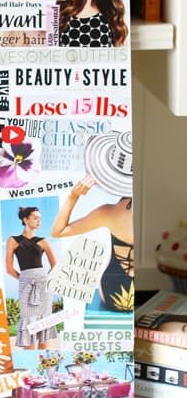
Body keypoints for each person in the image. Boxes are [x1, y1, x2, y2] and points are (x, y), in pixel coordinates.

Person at [51, 131, 134, 312]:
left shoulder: (109, 213)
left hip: (112, 288)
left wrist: (73, 196)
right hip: (148, 292)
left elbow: (58, 231)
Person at [6, 206, 57, 349]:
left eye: (40, 219)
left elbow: (55, 266)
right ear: (25, 219)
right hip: (25, 285)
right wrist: (25, 279)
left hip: (43, 285)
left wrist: (44, 281)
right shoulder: (13, 240)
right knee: (28, 326)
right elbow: (9, 270)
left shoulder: (43, 241)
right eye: (35, 218)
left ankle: (43, 364)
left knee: (43, 326)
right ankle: (30, 364)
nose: (39, 221)